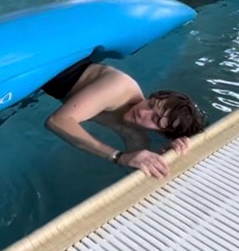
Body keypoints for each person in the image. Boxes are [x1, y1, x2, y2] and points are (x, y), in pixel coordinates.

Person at [41, 58, 207, 179]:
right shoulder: (118, 88)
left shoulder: (135, 134)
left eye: (155, 119)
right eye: (150, 104)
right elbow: (57, 121)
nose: (143, 112)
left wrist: (167, 153)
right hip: (58, 64)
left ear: (162, 132)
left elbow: (136, 169)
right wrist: (117, 156)